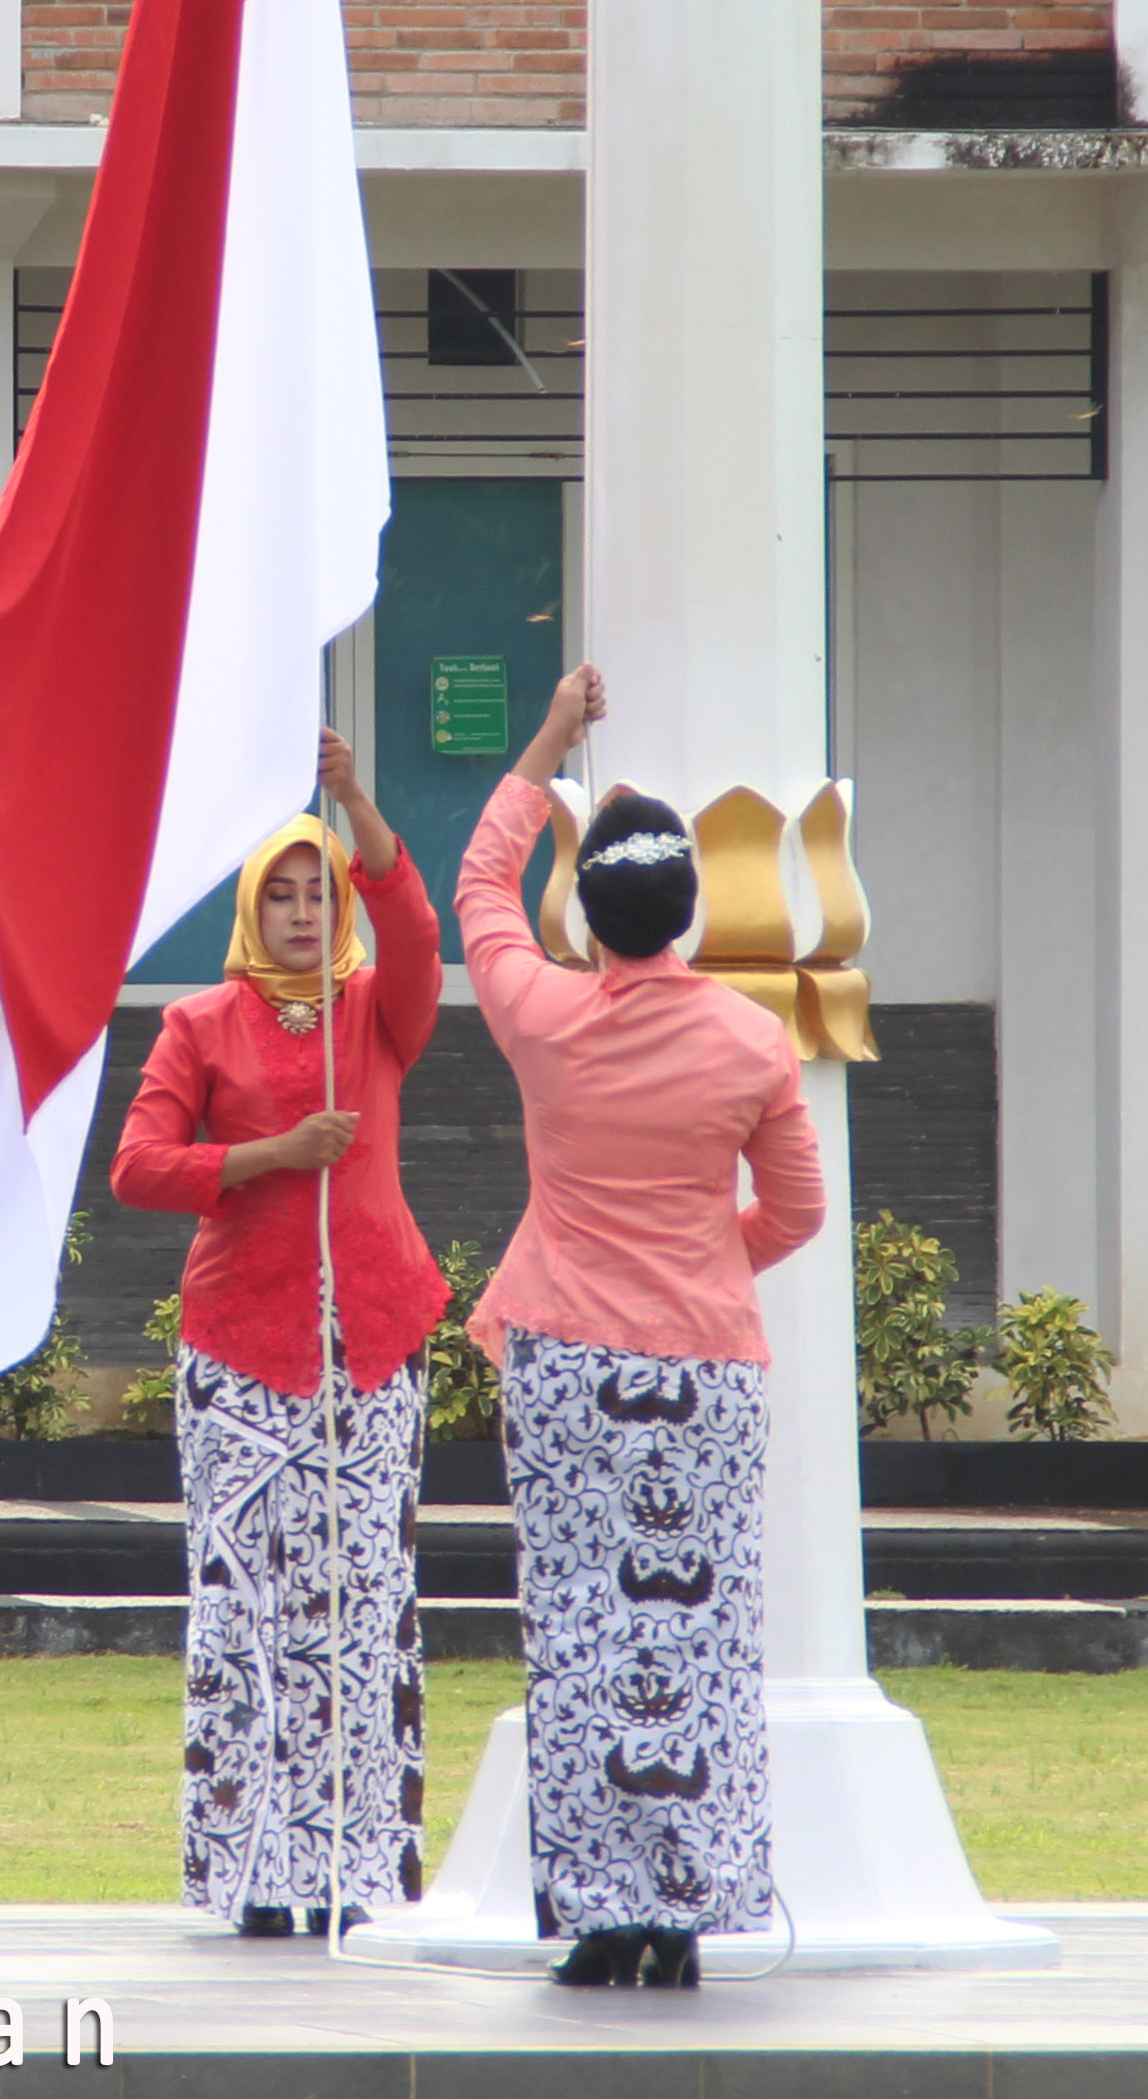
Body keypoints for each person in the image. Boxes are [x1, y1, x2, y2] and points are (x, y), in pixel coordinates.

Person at [454, 663, 827, 1991]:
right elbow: (796, 1208)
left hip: (564, 1361)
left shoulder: (545, 1018)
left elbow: (479, 894)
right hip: (706, 1367)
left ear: (590, 915)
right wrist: (701, 1265)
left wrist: (550, 741)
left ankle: (599, 1918)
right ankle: (686, 1913)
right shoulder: (750, 1040)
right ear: (689, 908)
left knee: (574, 1628)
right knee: (698, 1634)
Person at [111, 730, 451, 1937]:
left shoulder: (378, 1012)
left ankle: (358, 1874)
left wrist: (353, 793)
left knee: (364, 1602)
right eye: (283, 894)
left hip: (372, 1345)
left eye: (321, 890)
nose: (306, 911)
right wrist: (266, 1158)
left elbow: (414, 931)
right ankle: (257, 1869)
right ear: (253, 910)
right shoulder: (199, 1022)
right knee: (252, 1606)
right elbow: (139, 1167)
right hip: (241, 1356)